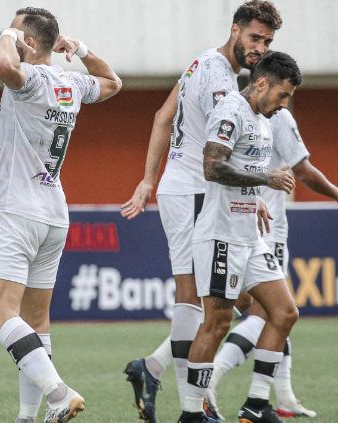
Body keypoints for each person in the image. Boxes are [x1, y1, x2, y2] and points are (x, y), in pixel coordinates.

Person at [119, 2, 297, 422]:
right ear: (235, 29)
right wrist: (153, 180)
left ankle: (159, 372)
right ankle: (193, 405)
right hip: (196, 191)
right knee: (198, 301)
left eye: (267, 42)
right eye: (254, 38)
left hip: (206, 192)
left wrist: (149, 178)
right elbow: (220, 150)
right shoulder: (223, 82)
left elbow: (164, 116)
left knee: (241, 301)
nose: (259, 48)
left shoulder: (199, 63)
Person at [0, 7, 121, 423]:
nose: (10, 33)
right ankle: (28, 416)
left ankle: (58, 392)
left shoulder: (32, 80)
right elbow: (113, 82)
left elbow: (4, 63)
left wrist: (9, 34)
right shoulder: (71, 82)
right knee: (35, 319)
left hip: (17, 209)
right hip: (54, 213)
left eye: (18, 29)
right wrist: (83, 50)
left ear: (31, 42)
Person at [203, 109, 338, 419]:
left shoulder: (248, 117)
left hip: (253, 221)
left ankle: (282, 395)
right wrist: (337, 194)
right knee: (267, 313)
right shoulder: (277, 116)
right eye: (285, 91)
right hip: (263, 228)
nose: (286, 99)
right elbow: (303, 170)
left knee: (274, 313)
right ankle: (213, 379)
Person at [178, 51, 302, 423]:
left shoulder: (264, 120)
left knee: (284, 313)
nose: (283, 105)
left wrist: (257, 198)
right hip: (220, 238)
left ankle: (256, 406)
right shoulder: (230, 110)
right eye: (282, 95)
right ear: (261, 83)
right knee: (215, 324)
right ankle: (190, 414)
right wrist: (265, 181)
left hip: (250, 235)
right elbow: (213, 167)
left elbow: (242, 169)